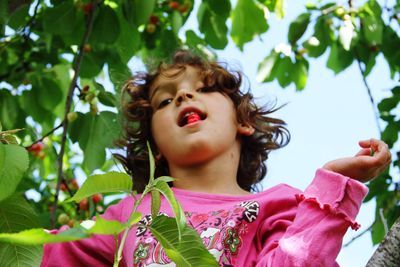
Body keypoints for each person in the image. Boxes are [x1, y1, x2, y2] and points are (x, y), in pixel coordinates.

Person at [41, 50, 391, 267]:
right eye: (165, 101)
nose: (183, 94)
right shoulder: (130, 215)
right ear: (156, 146)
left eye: (204, 88)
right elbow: (36, 253)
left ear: (242, 122)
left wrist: (328, 188)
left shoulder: (280, 204)